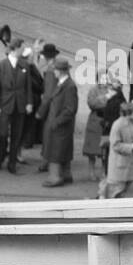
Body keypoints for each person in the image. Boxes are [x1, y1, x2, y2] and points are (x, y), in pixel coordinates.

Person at [0, 37, 33, 173]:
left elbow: (28, 86)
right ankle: (1, 156)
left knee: (17, 134)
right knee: (3, 133)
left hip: (20, 105)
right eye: (22, 48)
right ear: (16, 49)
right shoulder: (1, 65)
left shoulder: (24, 65)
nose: (24, 50)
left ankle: (12, 162)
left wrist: (29, 102)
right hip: (5, 105)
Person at [39, 57, 78, 187]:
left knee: (56, 151)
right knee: (62, 150)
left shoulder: (69, 86)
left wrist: (56, 121)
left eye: (55, 69)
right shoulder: (63, 83)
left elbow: (70, 109)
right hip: (60, 125)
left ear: (60, 71)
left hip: (60, 126)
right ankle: (66, 174)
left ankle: (55, 177)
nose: (53, 72)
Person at [82, 71, 124, 182]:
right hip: (95, 122)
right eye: (102, 78)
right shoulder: (93, 90)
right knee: (91, 151)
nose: (105, 80)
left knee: (104, 151)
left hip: (107, 123)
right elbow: (92, 104)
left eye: (107, 78)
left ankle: (104, 172)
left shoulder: (112, 89)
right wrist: (106, 98)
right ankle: (91, 172)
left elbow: (117, 102)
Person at [101, 102, 133, 200]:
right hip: (120, 166)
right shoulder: (117, 125)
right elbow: (116, 145)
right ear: (129, 113)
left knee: (125, 192)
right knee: (114, 193)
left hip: (132, 164)